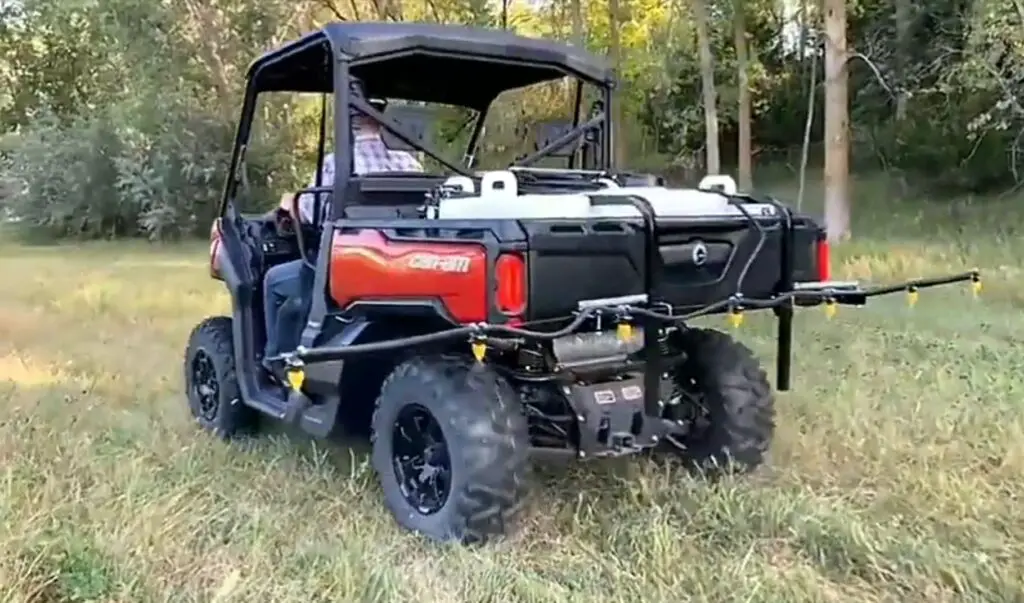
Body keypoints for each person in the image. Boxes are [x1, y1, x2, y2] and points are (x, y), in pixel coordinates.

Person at [261, 97, 424, 373]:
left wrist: (289, 202)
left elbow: (309, 214)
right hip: (399, 266)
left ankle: (277, 363)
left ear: (350, 119)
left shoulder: (337, 163)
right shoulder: (410, 163)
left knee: (273, 281)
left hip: (346, 266)